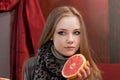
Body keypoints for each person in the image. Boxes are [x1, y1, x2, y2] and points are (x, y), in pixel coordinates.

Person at [23, 6, 102, 80]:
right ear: (51, 35)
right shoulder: (31, 66)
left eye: (76, 33)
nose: (70, 40)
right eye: (62, 33)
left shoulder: (90, 73)